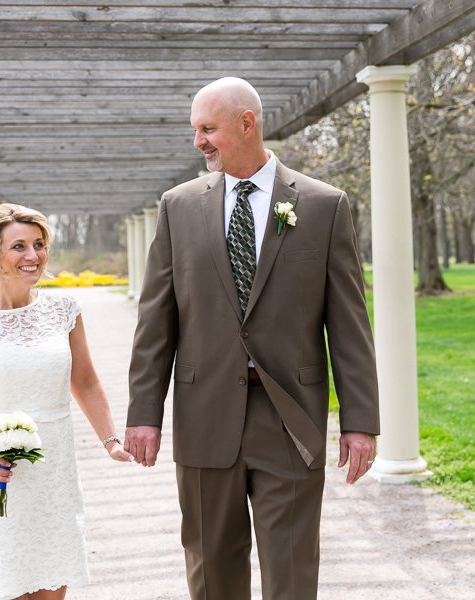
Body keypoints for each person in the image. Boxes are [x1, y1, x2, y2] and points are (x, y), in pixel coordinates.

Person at [125, 77, 381, 600]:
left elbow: (350, 324)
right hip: (204, 415)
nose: (198, 141)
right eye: (195, 129)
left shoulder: (323, 205)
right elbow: (157, 319)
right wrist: (143, 413)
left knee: (291, 571)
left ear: (248, 123)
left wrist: (360, 423)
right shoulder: (177, 206)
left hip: (290, 416)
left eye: (207, 128)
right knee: (211, 569)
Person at [0, 204, 132, 600]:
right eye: (19, 246)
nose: (33, 256)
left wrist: (110, 440)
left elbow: (87, 382)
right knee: (0, 587)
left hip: (53, 478)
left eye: (39, 244)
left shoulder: (64, 311)